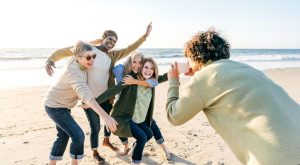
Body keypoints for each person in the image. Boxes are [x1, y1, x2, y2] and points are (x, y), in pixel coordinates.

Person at [166, 28, 300, 164]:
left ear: (196, 57)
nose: (188, 64)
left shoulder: (202, 78)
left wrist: (173, 81)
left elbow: (174, 116)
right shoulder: (247, 69)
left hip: (276, 157)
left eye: (188, 60)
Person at [44, 23, 152, 163]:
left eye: (114, 41)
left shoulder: (112, 55)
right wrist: (50, 59)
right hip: (89, 99)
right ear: (103, 38)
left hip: (106, 98)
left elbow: (129, 49)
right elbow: (65, 51)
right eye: (109, 39)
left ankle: (109, 142)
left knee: (112, 122)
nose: (111, 43)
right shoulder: (88, 50)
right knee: (95, 127)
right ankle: (95, 152)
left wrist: (143, 38)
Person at [44, 41, 118, 165]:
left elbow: (72, 49)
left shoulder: (81, 59)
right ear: (77, 57)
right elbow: (85, 93)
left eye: (94, 56)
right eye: (88, 57)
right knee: (78, 136)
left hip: (62, 105)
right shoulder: (74, 71)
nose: (92, 60)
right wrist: (105, 116)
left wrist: (94, 42)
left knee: (63, 135)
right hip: (55, 106)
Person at [96, 57, 168, 164]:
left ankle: (134, 149)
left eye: (151, 68)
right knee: (142, 137)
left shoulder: (151, 81)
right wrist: (93, 102)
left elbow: (161, 78)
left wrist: (178, 71)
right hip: (124, 117)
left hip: (139, 118)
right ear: (141, 68)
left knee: (148, 134)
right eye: (146, 67)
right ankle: (136, 161)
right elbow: (113, 90)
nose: (148, 70)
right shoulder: (130, 79)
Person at [113, 52, 172, 161]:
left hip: (142, 112)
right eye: (134, 62)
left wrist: (177, 72)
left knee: (150, 128)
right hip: (126, 111)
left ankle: (163, 148)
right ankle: (128, 147)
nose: (137, 65)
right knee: (143, 134)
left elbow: (156, 81)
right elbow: (112, 89)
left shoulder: (146, 78)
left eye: (140, 62)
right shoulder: (125, 72)